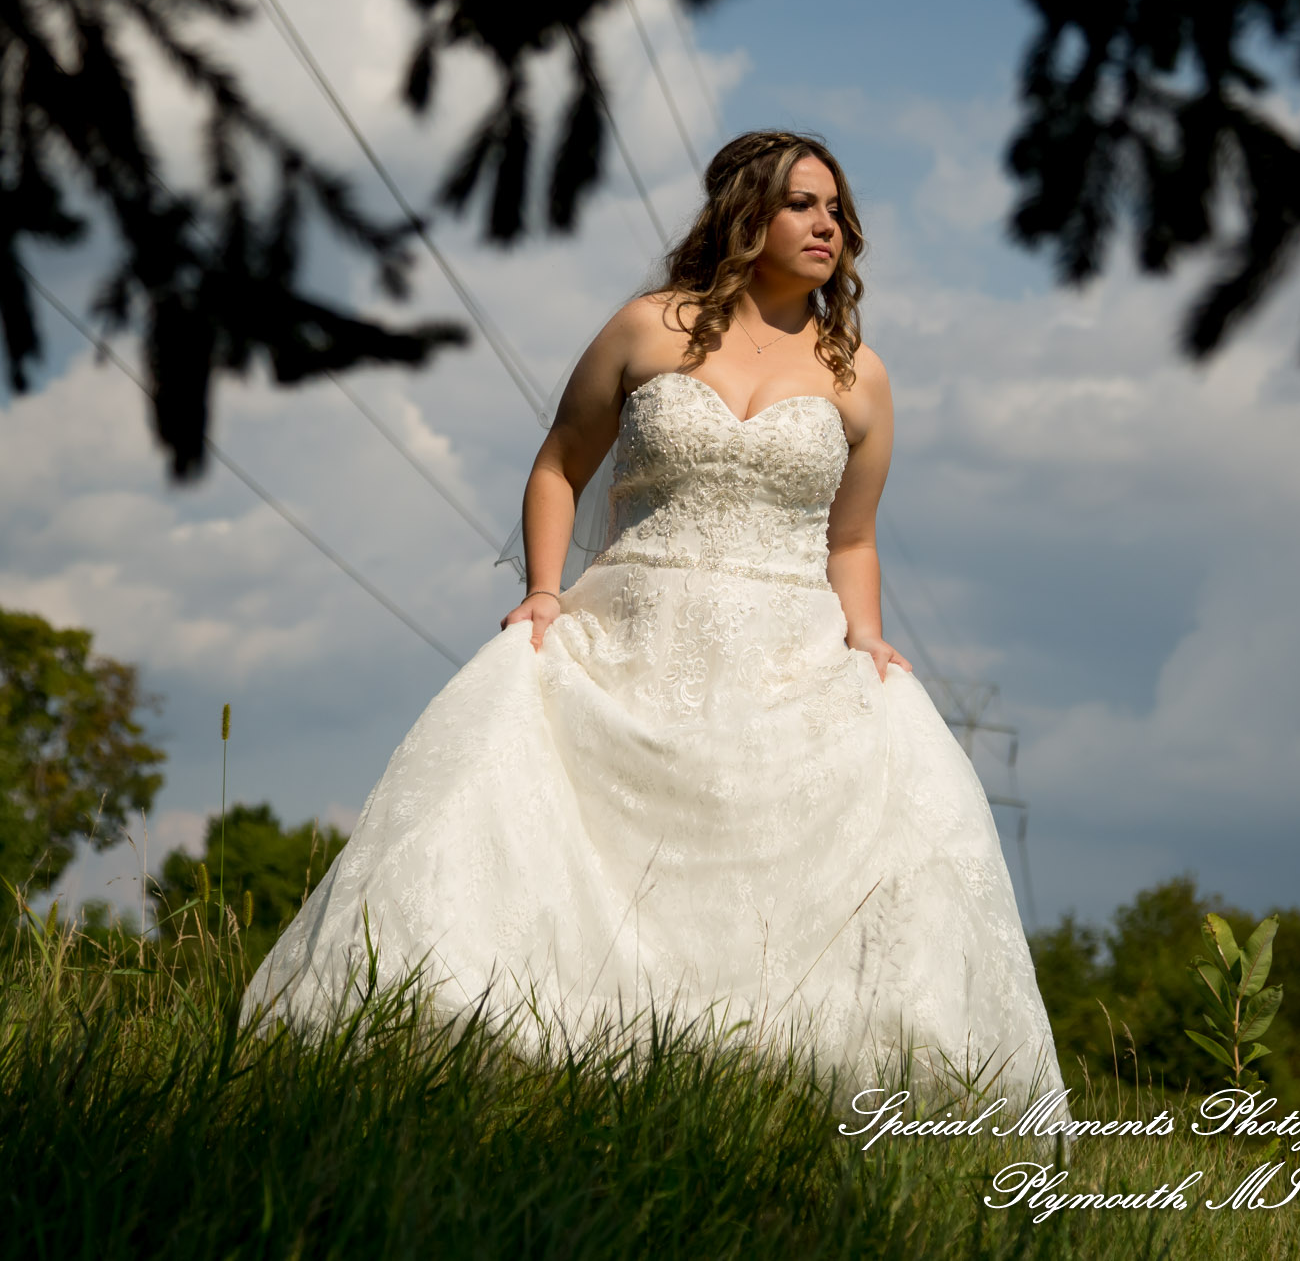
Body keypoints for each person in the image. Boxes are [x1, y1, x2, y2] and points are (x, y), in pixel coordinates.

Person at [242, 131, 1065, 1104]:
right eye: (803, 203)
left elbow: (851, 540)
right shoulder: (646, 328)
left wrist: (868, 635)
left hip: (787, 659)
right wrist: (544, 592)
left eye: (837, 210)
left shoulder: (860, 376)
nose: (827, 225)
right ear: (745, 215)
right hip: (629, 631)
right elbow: (559, 464)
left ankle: (746, 1084)